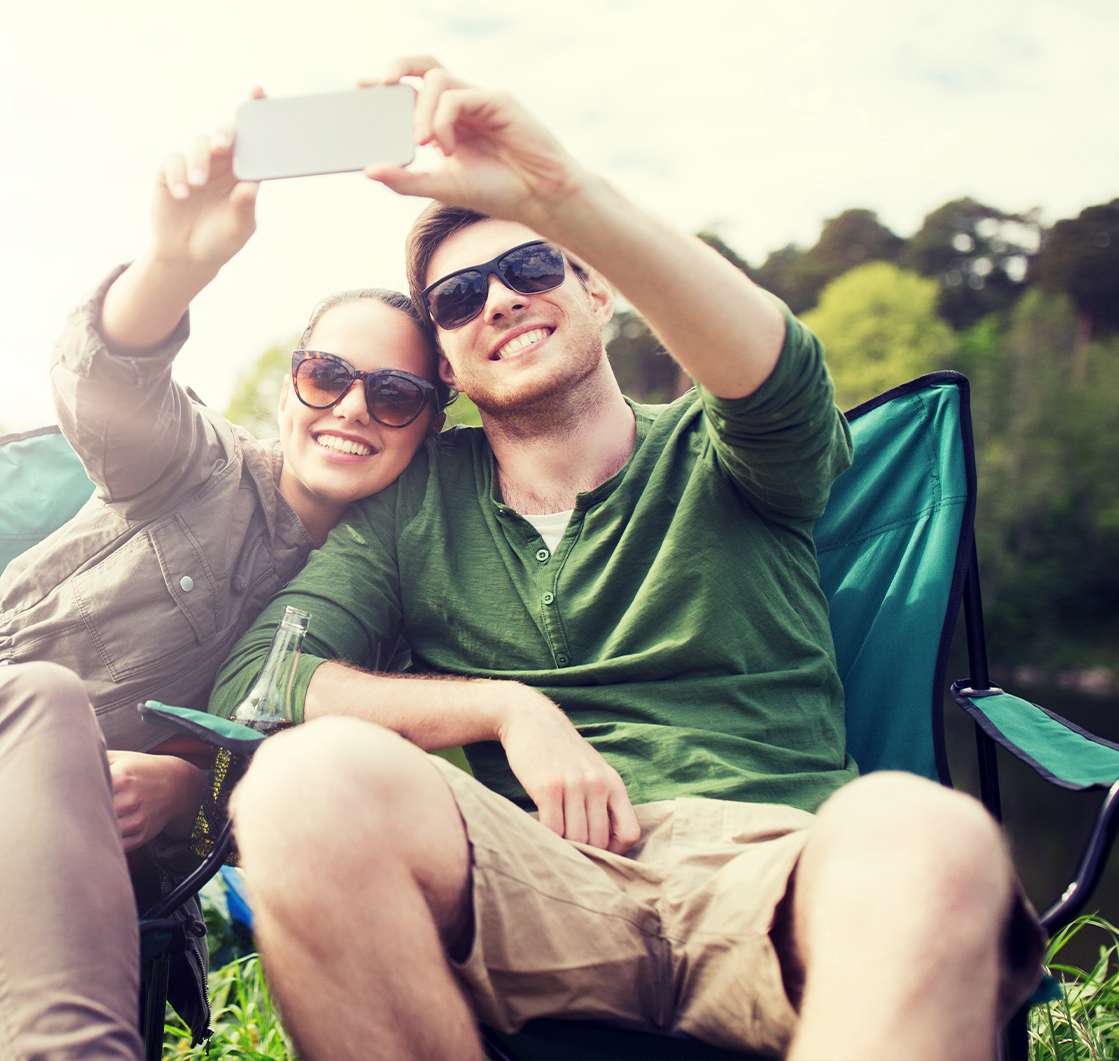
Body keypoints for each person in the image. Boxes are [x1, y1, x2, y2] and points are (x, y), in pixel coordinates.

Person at [212, 57, 1044, 1061]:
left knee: (932, 837)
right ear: (445, 361)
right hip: (531, 878)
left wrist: (561, 194)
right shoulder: (417, 502)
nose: (501, 302)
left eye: (531, 269)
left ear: (599, 288)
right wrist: (504, 706)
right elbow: (266, 678)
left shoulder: (733, 448)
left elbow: (778, 369)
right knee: (302, 788)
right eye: (459, 296)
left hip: (768, 864)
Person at [0, 126, 446, 1060]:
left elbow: (321, 810)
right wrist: (174, 266)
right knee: (37, 705)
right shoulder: (198, 470)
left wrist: (193, 793)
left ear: (429, 425)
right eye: (328, 375)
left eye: (392, 394)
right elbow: (109, 381)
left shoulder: (379, 625)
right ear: (288, 389)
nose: (351, 408)